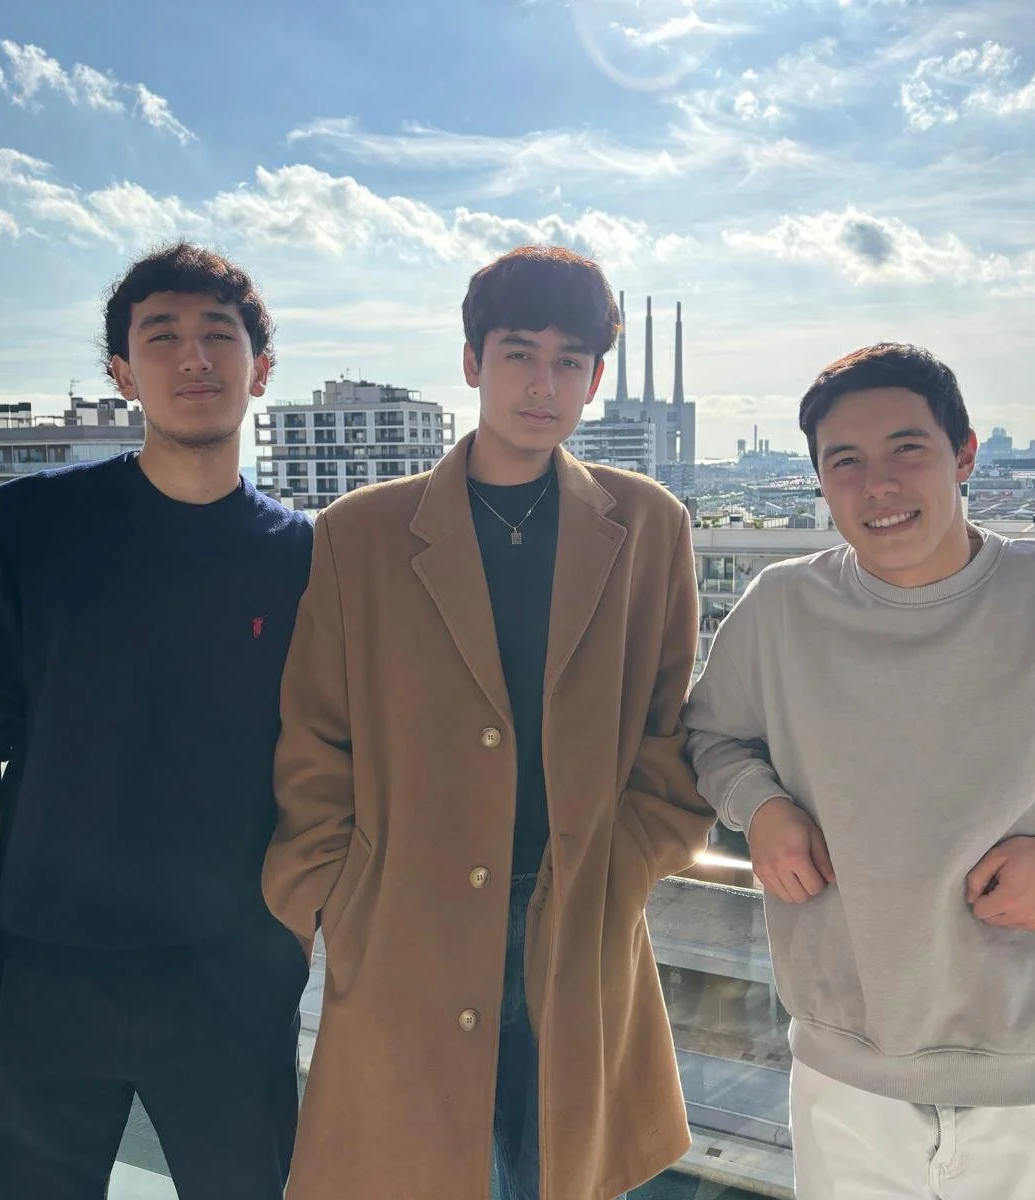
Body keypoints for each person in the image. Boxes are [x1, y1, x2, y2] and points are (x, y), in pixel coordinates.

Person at [683, 343, 1035, 1199]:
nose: (879, 486)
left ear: (965, 453)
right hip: (848, 1064)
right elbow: (711, 738)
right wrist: (760, 808)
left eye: (908, 449)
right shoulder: (779, 610)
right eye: (846, 462)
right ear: (819, 480)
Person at [263, 244, 713, 1200]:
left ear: (595, 377)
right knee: (412, 1173)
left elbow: (670, 736)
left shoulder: (649, 525)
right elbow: (315, 738)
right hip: (404, 926)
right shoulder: (362, 531)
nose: (542, 384)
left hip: (578, 916)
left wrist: (623, 870)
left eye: (568, 360)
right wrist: (340, 891)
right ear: (473, 362)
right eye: (518, 353)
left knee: (556, 1172)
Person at [0, 242, 312, 1200]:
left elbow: (331, 761)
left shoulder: (307, 556)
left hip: (230, 982)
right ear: (121, 372)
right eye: (162, 336)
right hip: (40, 975)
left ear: (259, 370)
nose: (193, 359)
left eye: (219, 336)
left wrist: (288, 946)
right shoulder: (26, 526)